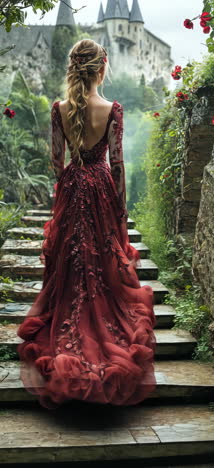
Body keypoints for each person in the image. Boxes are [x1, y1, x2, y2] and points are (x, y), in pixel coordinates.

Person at [16, 39, 157, 410]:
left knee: (69, 259)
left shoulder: (59, 109)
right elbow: (118, 163)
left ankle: (69, 315)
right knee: (104, 257)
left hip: (73, 187)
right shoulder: (113, 109)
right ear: (101, 68)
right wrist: (120, 208)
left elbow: (55, 163)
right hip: (101, 190)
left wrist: (63, 197)